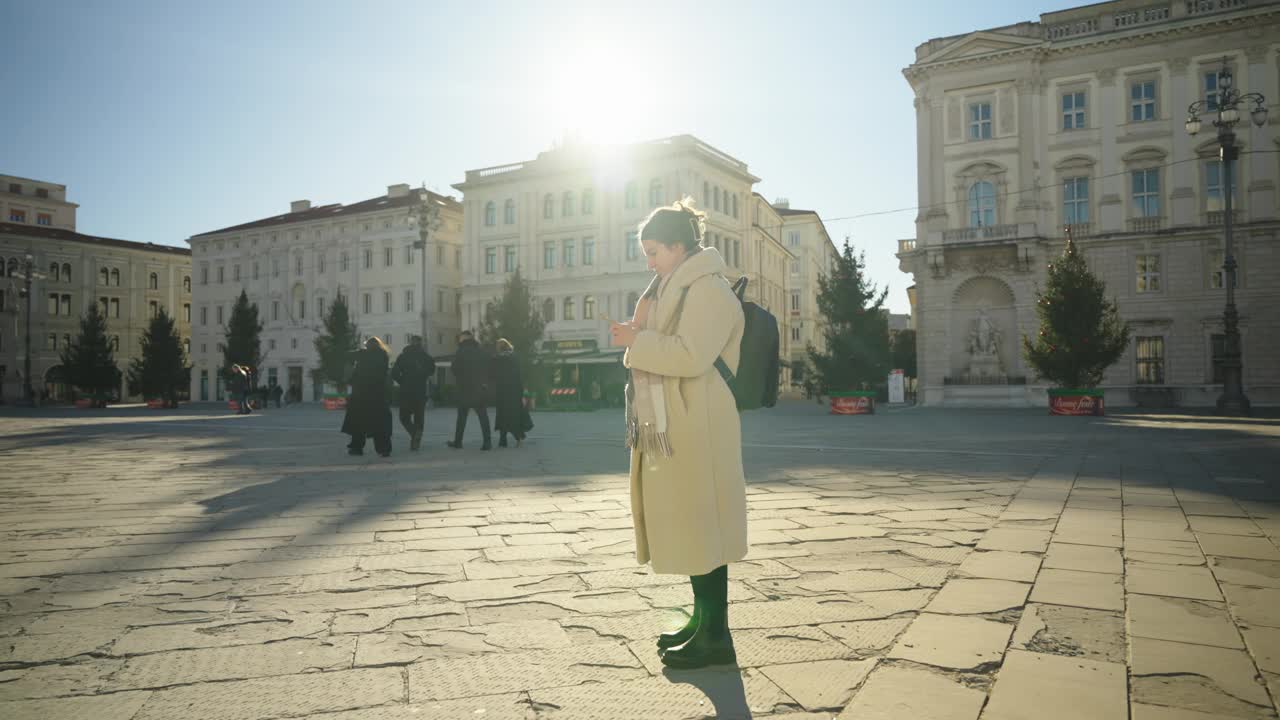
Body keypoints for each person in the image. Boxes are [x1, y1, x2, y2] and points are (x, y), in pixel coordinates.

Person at [608, 198, 746, 670]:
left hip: (699, 420)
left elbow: (691, 356)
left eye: (653, 251)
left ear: (678, 245)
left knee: (704, 523)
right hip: (680, 419)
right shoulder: (671, 287)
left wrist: (637, 343)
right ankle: (703, 623)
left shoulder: (707, 289)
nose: (648, 261)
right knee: (692, 524)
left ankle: (716, 636)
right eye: (645, 252)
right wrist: (639, 338)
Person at [341, 337, 393, 457]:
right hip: (378, 394)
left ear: (367, 346)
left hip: (360, 392)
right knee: (380, 423)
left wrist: (349, 375)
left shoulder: (362, 354)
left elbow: (347, 356)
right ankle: (384, 449)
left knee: (358, 422)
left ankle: (356, 448)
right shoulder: (383, 356)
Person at [447, 330, 492, 450]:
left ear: (465, 338)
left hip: (464, 388)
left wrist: (461, 377)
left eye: (461, 337)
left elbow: (454, 368)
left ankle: (458, 442)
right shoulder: (481, 351)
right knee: (483, 415)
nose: (459, 339)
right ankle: (487, 442)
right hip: (479, 388)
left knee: (461, 416)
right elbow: (489, 368)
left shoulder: (461, 351)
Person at [391, 335, 436, 451]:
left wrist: (403, 381)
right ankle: (416, 437)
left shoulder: (403, 356)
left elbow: (394, 373)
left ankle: (413, 433)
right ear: (420, 344)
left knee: (404, 417)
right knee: (419, 417)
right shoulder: (426, 357)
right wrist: (422, 375)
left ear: (410, 343)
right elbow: (431, 371)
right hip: (420, 390)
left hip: (406, 391)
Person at [492, 338, 532, 448]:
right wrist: (522, 392)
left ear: (500, 348)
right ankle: (518, 437)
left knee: (502, 415)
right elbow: (519, 375)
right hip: (514, 391)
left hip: (502, 391)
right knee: (514, 415)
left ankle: (503, 440)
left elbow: (494, 374)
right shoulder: (514, 357)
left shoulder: (497, 358)